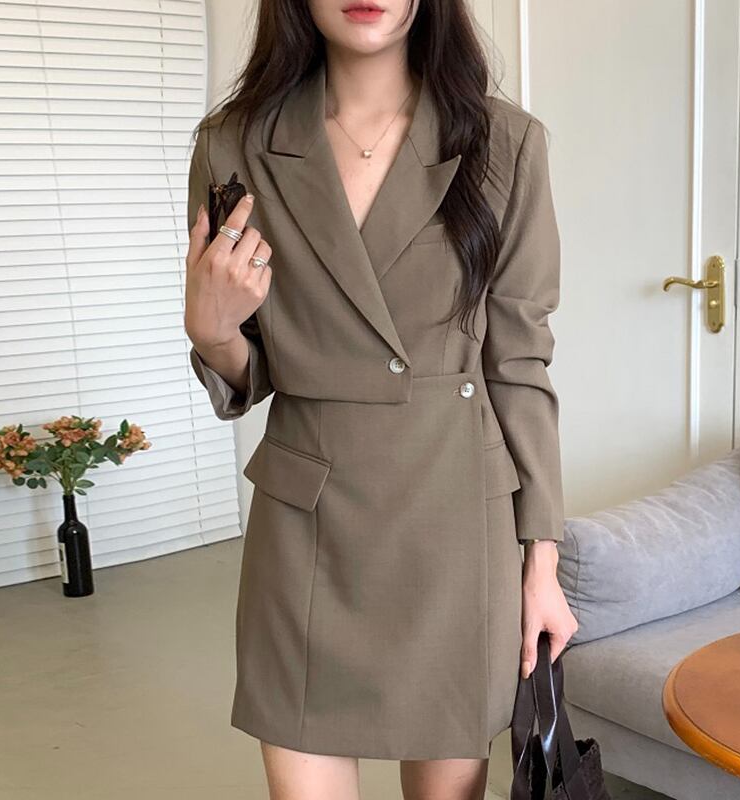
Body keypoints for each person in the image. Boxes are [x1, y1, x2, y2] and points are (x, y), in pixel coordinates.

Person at [183, 1, 579, 797]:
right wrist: (210, 328)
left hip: (454, 527)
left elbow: (519, 365)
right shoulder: (234, 143)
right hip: (309, 531)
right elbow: (254, 366)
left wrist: (543, 563)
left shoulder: (504, 142)